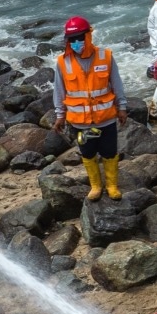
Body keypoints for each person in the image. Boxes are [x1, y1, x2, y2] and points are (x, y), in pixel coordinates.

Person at [52, 15, 126, 200]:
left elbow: (117, 84)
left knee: (109, 152)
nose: (77, 42)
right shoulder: (62, 62)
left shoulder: (106, 56)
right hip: (80, 123)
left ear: (89, 35)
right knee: (87, 152)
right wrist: (60, 116)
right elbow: (59, 91)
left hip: (106, 119)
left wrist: (122, 107)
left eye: (80, 37)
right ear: (67, 41)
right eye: (72, 39)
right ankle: (95, 186)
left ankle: (112, 186)